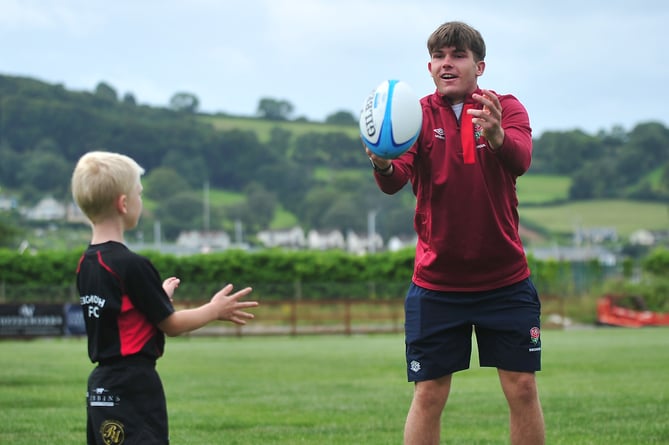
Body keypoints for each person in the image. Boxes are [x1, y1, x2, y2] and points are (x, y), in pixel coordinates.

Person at [365, 22, 545, 445]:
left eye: (458, 56)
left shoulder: (507, 108)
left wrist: (498, 135)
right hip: (437, 285)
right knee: (429, 393)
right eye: (440, 57)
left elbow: (520, 161)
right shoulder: (416, 115)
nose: (448, 64)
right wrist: (381, 162)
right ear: (430, 67)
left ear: (479, 66)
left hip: (506, 282)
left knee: (522, 387)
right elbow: (396, 180)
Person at [71, 150, 259, 445]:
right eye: (139, 194)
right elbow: (170, 324)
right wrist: (214, 309)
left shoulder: (86, 263)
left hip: (101, 386)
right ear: (123, 204)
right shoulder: (131, 264)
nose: (141, 201)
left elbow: (123, 311)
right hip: (134, 385)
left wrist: (157, 296)